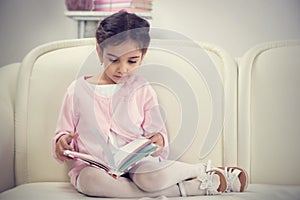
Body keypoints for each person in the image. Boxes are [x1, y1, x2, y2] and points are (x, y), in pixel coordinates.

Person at [52, 10, 247, 198]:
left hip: (137, 163)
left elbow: (157, 131)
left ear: (143, 57)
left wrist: (158, 140)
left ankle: (201, 170)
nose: (122, 69)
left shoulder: (142, 88)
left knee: (152, 178)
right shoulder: (76, 90)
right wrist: (62, 142)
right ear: (100, 52)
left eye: (132, 61)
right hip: (94, 169)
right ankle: (196, 187)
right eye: (113, 60)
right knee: (90, 183)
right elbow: (63, 133)